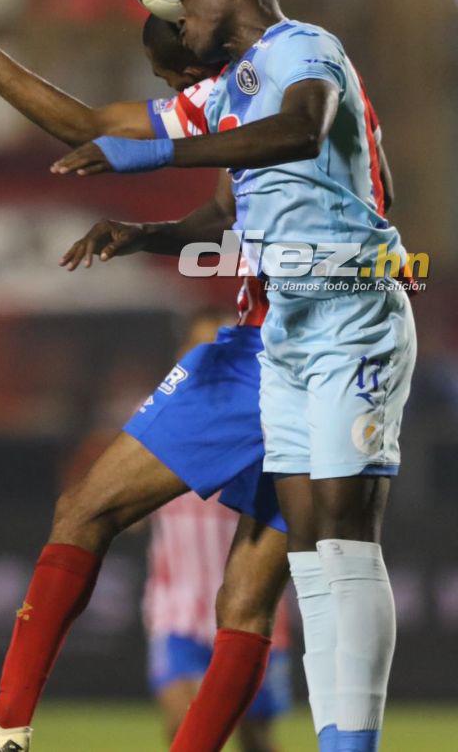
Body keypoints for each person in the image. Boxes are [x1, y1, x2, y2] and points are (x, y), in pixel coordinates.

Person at [0, 0, 395, 752]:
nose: (177, 65)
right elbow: (229, 187)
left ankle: (9, 721)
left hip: (294, 343)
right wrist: (151, 235)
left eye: (182, 32)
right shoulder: (258, 97)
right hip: (303, 335)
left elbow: (280, 138)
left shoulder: (290, 63)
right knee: (252, 600)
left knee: (94, 511)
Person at [53, 0, 416, 752]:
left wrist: (150, 159)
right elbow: (220, 202)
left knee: (343, 535)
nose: (182, 15)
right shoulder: (237, 85)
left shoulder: (303, 50)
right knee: (315, 553)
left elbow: (302, 129)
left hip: (352, 309)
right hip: (282, 325)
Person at [144, 308, 293, 752]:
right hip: (176, 609)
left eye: (223, 346)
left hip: (249, 602)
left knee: (254, 737)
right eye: (203, 347)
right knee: (184, 724)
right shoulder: (154, 414)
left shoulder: (270, 421)